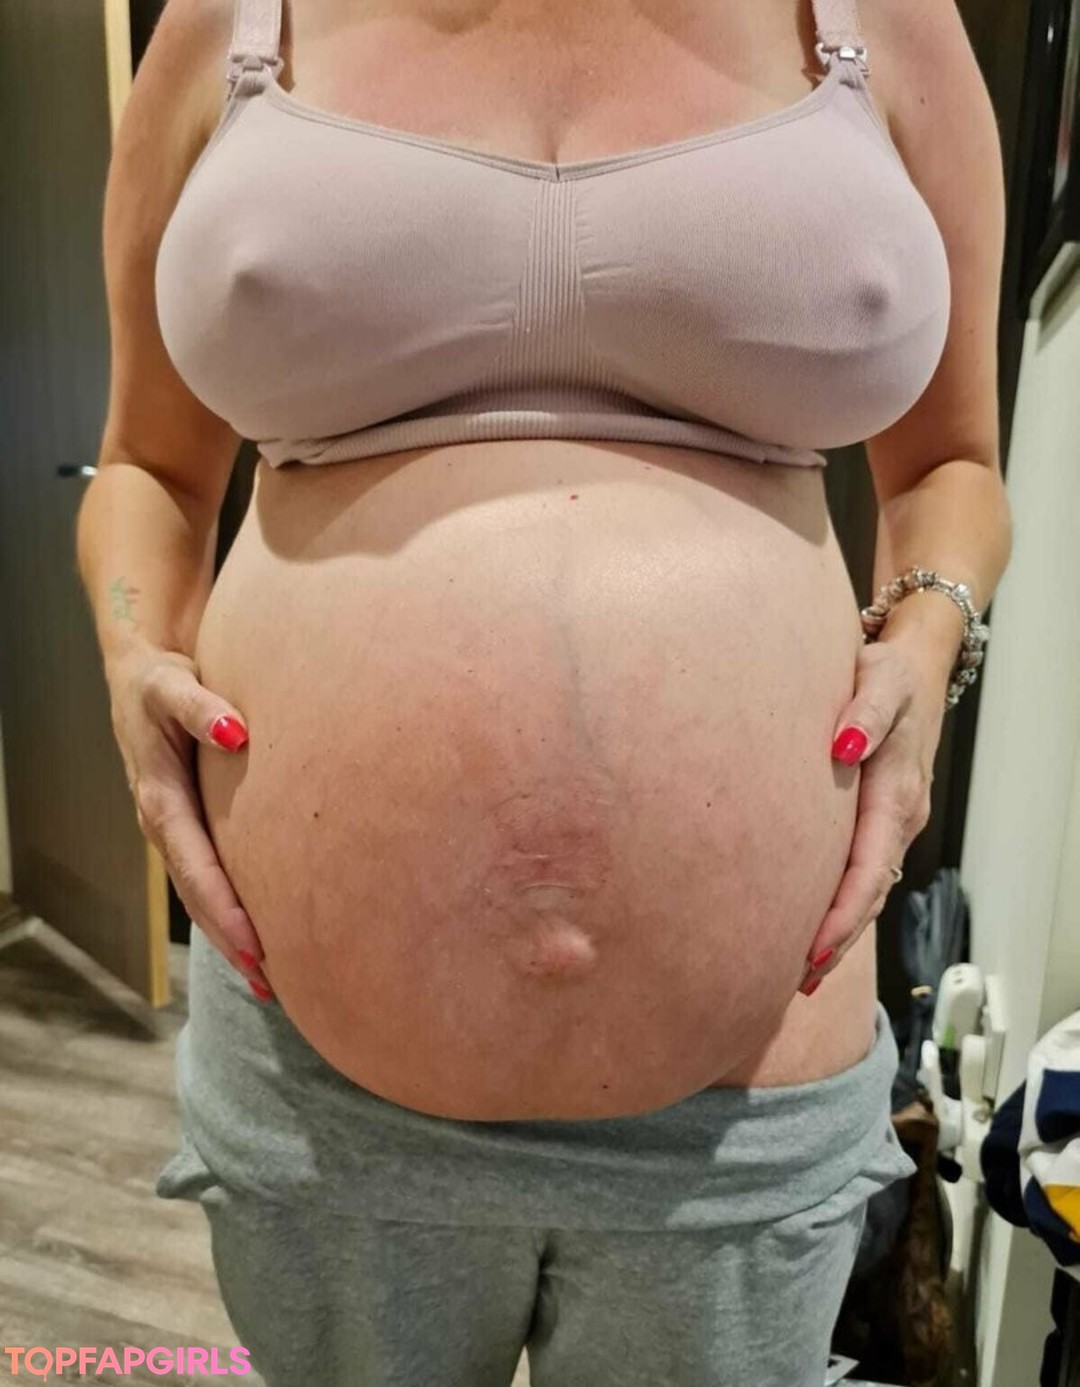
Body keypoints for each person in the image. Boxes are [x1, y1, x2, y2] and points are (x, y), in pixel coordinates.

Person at [77, 0, 1012, 1380]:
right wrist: (128, 655)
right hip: (320, 1079)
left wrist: (930, 641)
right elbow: (148, 466)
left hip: (750, 1089)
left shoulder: (880, 20)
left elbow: (952, 465)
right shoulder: (235, 18)